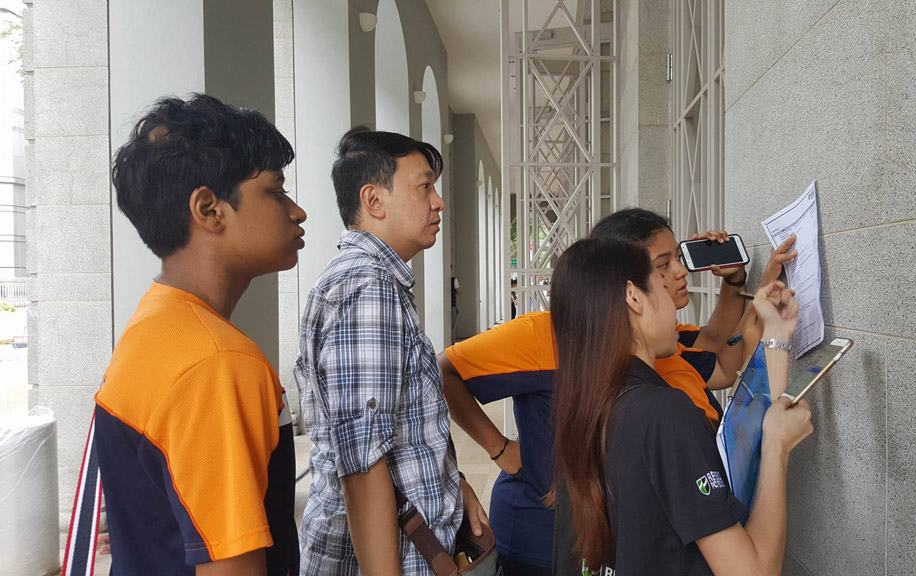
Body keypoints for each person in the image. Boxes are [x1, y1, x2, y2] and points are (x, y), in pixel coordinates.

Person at [438, 208, 796, 574]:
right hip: (547, 536)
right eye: (660, 268)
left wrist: (743, 290)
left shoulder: (628, 375)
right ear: (629, 293)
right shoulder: (555, 345)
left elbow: (718, 351)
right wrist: (501, 450)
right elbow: (445, 370)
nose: (679, 273)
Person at [93, 94, 305, 575]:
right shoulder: (218, 364)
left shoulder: (152, 325)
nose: (297, 212)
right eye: (276, 192)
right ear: (209, 209)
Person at [550, 237, 813, 575]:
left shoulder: (597, 406)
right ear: (634, 297)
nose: (676, 307)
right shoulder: (662, 413)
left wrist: (775, 334)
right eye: (660, 284)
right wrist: (777, 447)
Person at [295, 127, 487, 575]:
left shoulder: (376, 282)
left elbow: (402, 426)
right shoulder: (367, 288)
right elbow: (362, 469)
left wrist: (454, 484)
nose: (438, 202)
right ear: (373, 200)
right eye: (424, 186)